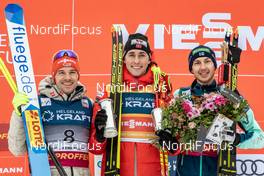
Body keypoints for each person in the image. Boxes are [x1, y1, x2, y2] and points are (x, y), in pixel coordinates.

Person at [8, 50, 107, 176]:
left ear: (78, 75)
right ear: (53, 76)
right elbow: (17, 149)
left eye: (72, 72)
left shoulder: (88, 104)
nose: (67, 78)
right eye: (61, 73)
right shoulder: (36, 103)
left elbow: (96, 149)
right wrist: (18, 115)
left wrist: (100, 134)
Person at [171, 45, 264, 176]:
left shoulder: (230, 95)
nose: (203, 67)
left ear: (215, 66)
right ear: (191, 68)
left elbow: (260, 137)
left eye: (207, 61)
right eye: (197, 63)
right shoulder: (180, 95)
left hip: (218, 170)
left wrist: (237, 139)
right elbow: (169, 136)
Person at [95, 33, 173, 176]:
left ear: (150, 58)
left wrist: (171, 140)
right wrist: (99, 133)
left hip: (153, 171)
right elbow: (95, 148)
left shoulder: (160, 91)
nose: (136, 61)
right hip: (117, 169)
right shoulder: (110, 92)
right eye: (131, 54)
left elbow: (175, 146)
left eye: (142, 55)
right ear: (123, 58)